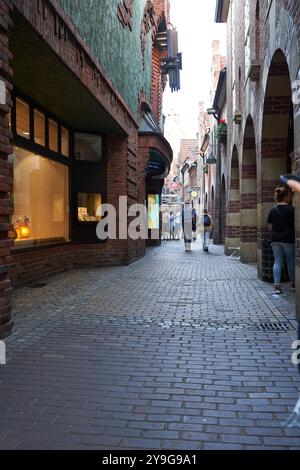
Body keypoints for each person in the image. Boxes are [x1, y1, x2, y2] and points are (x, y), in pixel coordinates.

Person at [267, 185, 295, 295]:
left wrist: (277, 229)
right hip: (288, 238)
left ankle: (277, 286)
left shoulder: (273, 210)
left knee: (277, 261)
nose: (290, 197)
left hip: (275, 239)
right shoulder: (291, 209)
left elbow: (269, 226)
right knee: (290, 261)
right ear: (285, 197)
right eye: (289, 195)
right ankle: (293, 284)